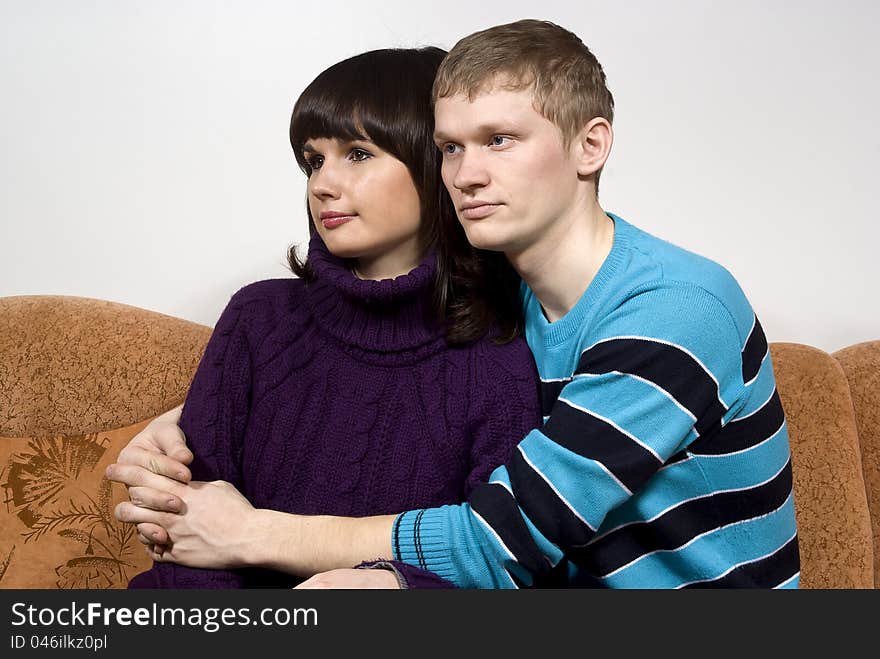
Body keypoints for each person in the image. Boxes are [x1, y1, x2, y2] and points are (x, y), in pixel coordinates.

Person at [110, 19, 800, 589]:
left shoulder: (674, 311)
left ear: (591, 145)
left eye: (499, 140)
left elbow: (498, 540)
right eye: (449, 148)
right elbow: (365, 365)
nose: (466, 175)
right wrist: (183, 420)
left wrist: (252, 532)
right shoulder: (511, 304)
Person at [114, 46, 542, 589]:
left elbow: (497, 572)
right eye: (313, 161)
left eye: (358, 154)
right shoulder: (258, 318)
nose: (322, 185)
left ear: (439, 162)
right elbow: (185, 539)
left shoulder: (497, 359)